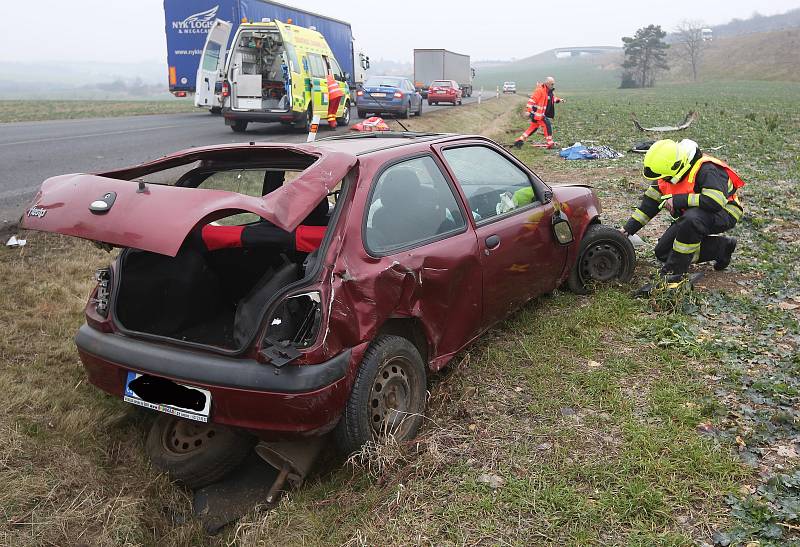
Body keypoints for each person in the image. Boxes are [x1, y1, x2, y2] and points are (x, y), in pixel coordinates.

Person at [623, 138, 744, 285]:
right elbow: (649, 205)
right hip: (692, 215)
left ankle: (674, 272)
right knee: (663, 252)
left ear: (677, 166)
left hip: (725, 212)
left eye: (664, 177)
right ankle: (721, 248)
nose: (662, 180)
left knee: (692, 220)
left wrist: (679, 200)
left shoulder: (707, 169)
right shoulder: (666, 173)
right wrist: (627, 230)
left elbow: (715, 201)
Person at [513, 76, 564, 149]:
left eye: (553, 84)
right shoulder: (540, 90)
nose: (553, 85)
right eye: (552, 84)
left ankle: (520, 139)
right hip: (537, 115)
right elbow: (532, 100)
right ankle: (550, 142)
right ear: (547, 83)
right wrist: (528, 111)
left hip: (539, 115)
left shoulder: (548, 92)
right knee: (547, 125)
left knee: (533, 128)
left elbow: (552, 99)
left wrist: (559, 100)